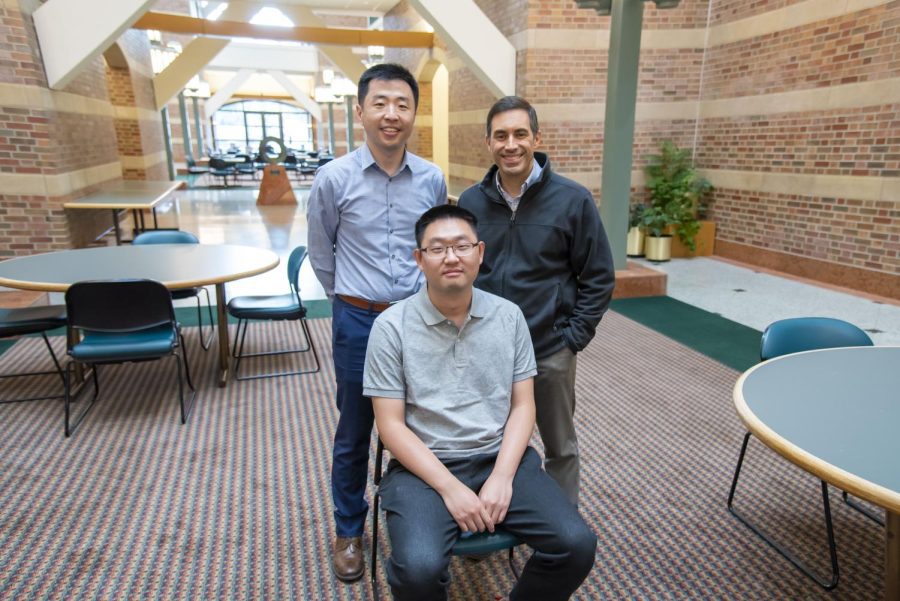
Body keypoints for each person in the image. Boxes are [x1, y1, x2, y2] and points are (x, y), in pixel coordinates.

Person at [364, 205, 596, 600]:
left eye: (461, 246)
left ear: (480, 253)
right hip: (423, 467)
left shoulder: (509, 317)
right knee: (418, 570)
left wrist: (503, 477)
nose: (451, 257)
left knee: (576, 545)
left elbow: (523, 406)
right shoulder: (391, 327)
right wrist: (451, 488)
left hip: (499, 456)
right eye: (437, 249)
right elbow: (391, 426)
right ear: (419, 259)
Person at [306, 63, 447, 582]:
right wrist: (351, 305)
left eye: (403, 104)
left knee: (423, 421)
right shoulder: (333, 178)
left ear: (414, 113)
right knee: (356, 430)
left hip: (418, 321)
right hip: (358, 321)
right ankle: (348, 529)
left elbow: (434, 248)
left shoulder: (432, 179)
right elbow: (322, 256)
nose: (392, 114)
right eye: (381, 103)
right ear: (361, 110)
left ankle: (426, 518)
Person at [457, 96, 615, 505]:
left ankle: (562, 537)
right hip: (485, 348)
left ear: (537, 138)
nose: (511, 144)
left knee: (559, 446)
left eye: (520, 134)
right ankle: (484, 518)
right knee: (483, 441)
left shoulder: (572, 199)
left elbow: (598, 276)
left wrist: (572, 337)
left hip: (548, 349)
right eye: (501, 136)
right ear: (489, 143)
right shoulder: (472, 202)